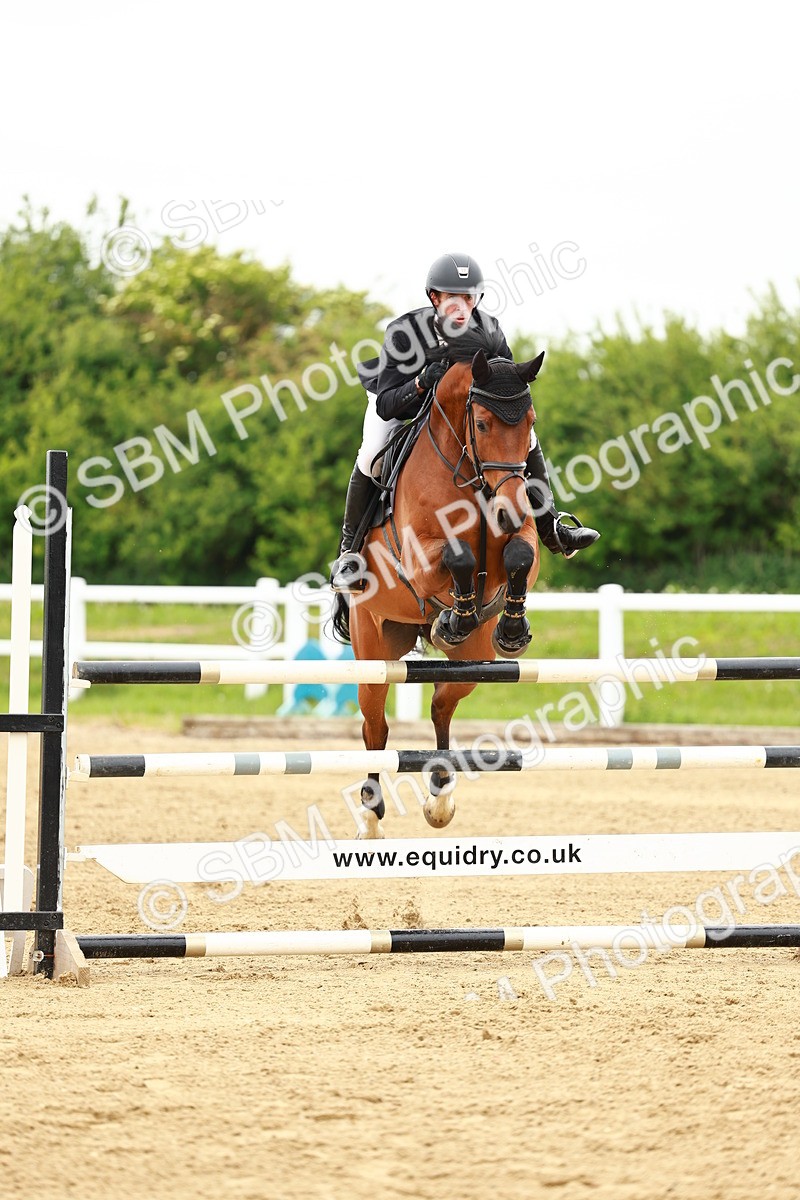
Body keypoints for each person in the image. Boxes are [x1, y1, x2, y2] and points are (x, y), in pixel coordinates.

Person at [330, 252, 600, 592]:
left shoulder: (489, 331)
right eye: (452, 298)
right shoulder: (405, 332)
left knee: (526, 439)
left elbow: (506, 387)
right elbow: (386, 405)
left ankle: (551, 527)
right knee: (370, 456)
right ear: (434, 297)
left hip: (461, 415)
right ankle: (349, 555)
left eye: (469, 298)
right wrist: (421, 381)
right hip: (402, 405)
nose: (461, 307)